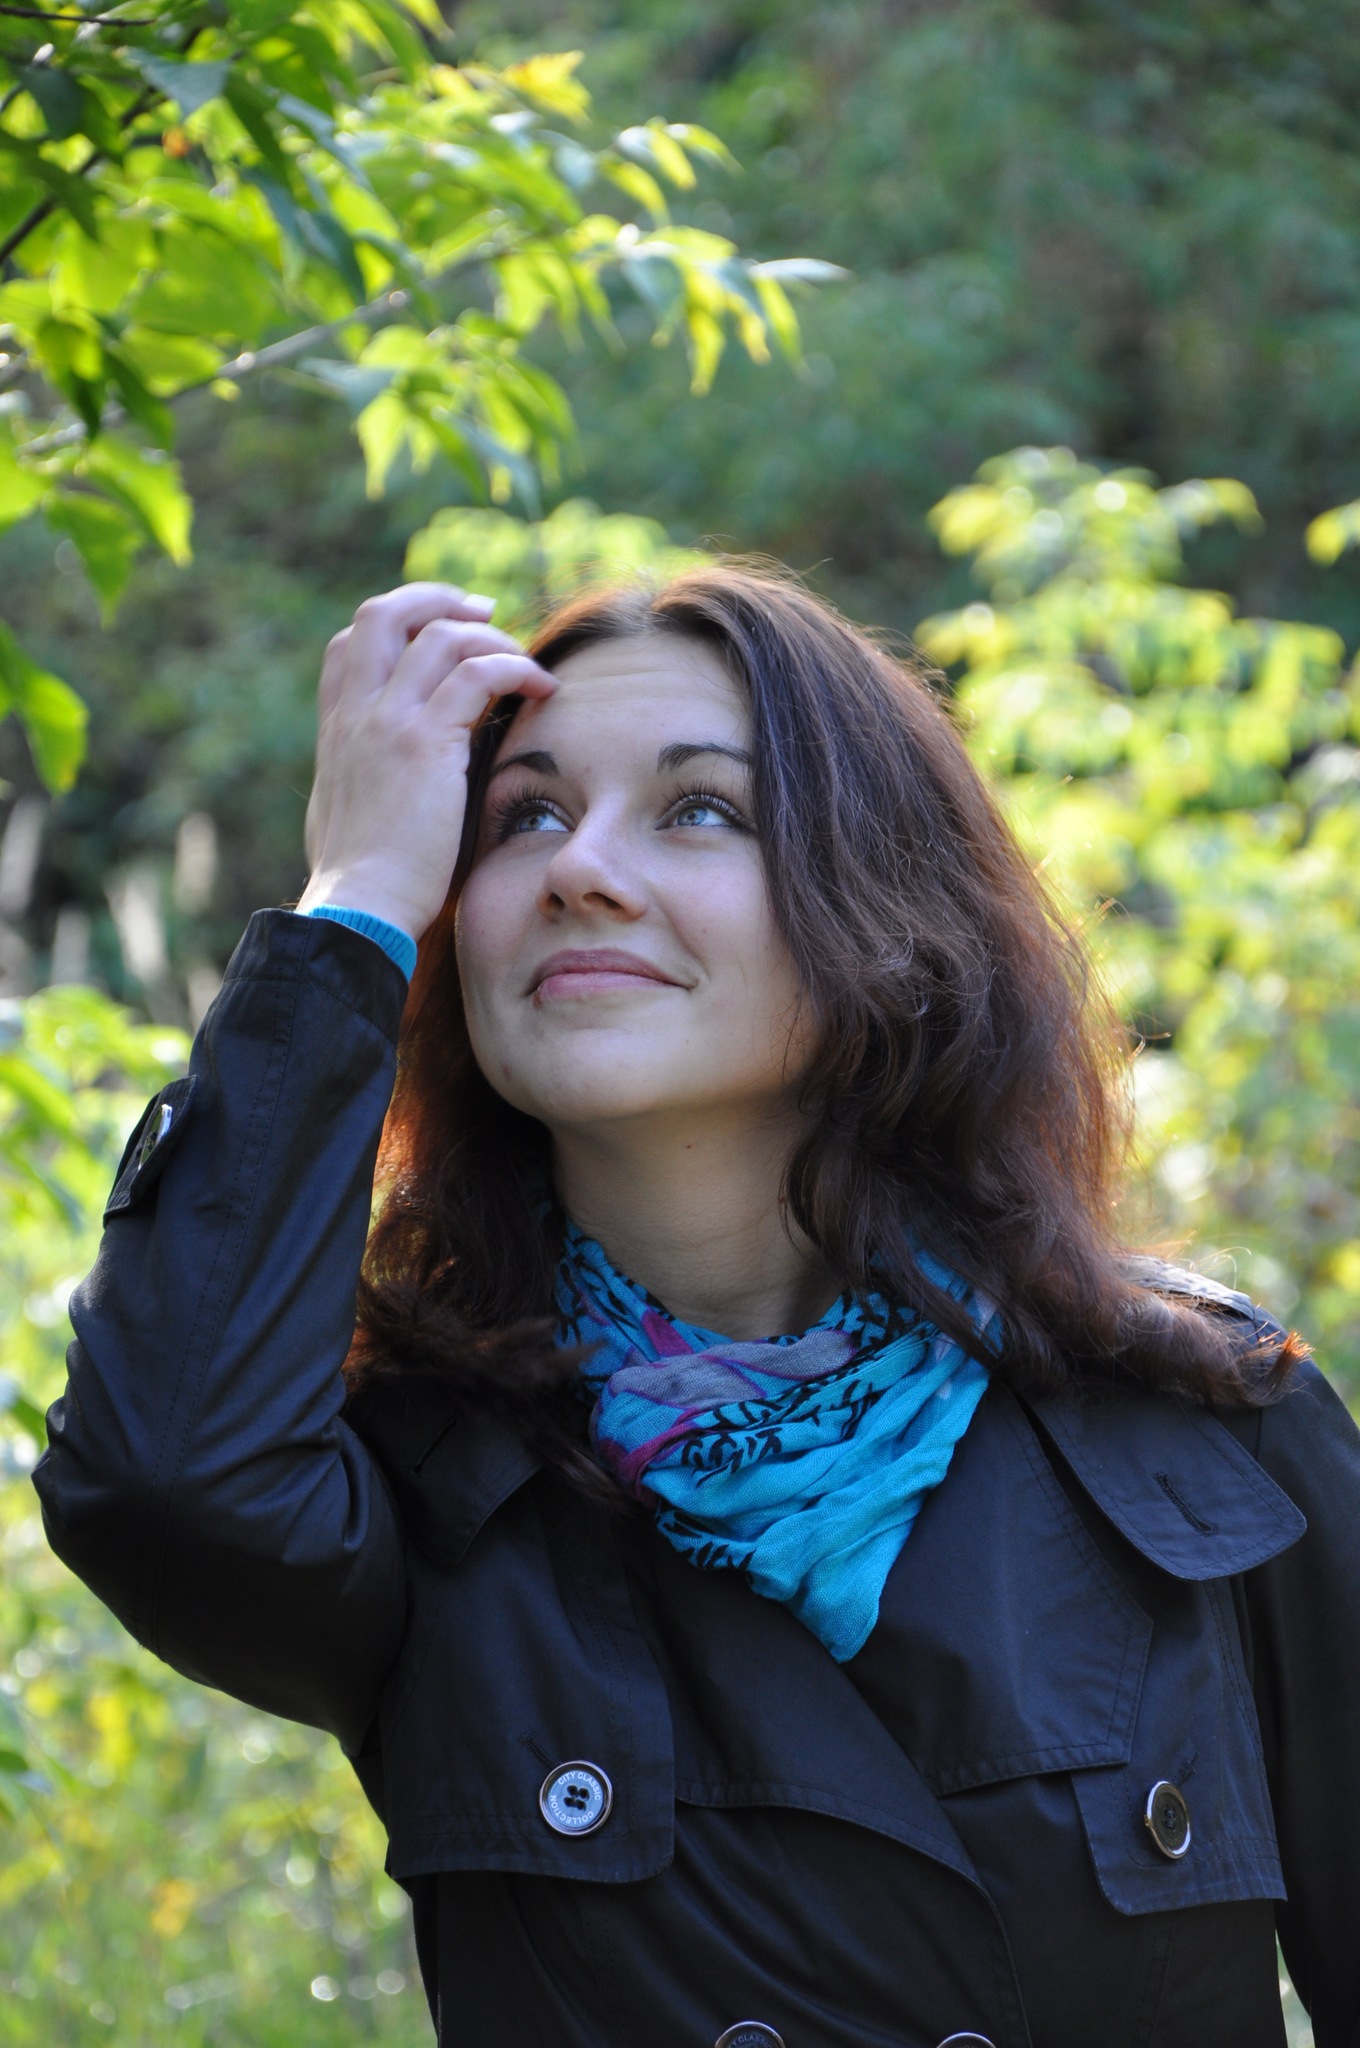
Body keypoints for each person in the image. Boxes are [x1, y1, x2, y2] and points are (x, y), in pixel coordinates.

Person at [34, 566, 1360, 2048]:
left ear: (884, 909)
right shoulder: (427, 1481)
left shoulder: (1206, 1428)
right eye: (522, 817)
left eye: (701, 809)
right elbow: (164, 1483)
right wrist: (354, 899)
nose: (580, 870)